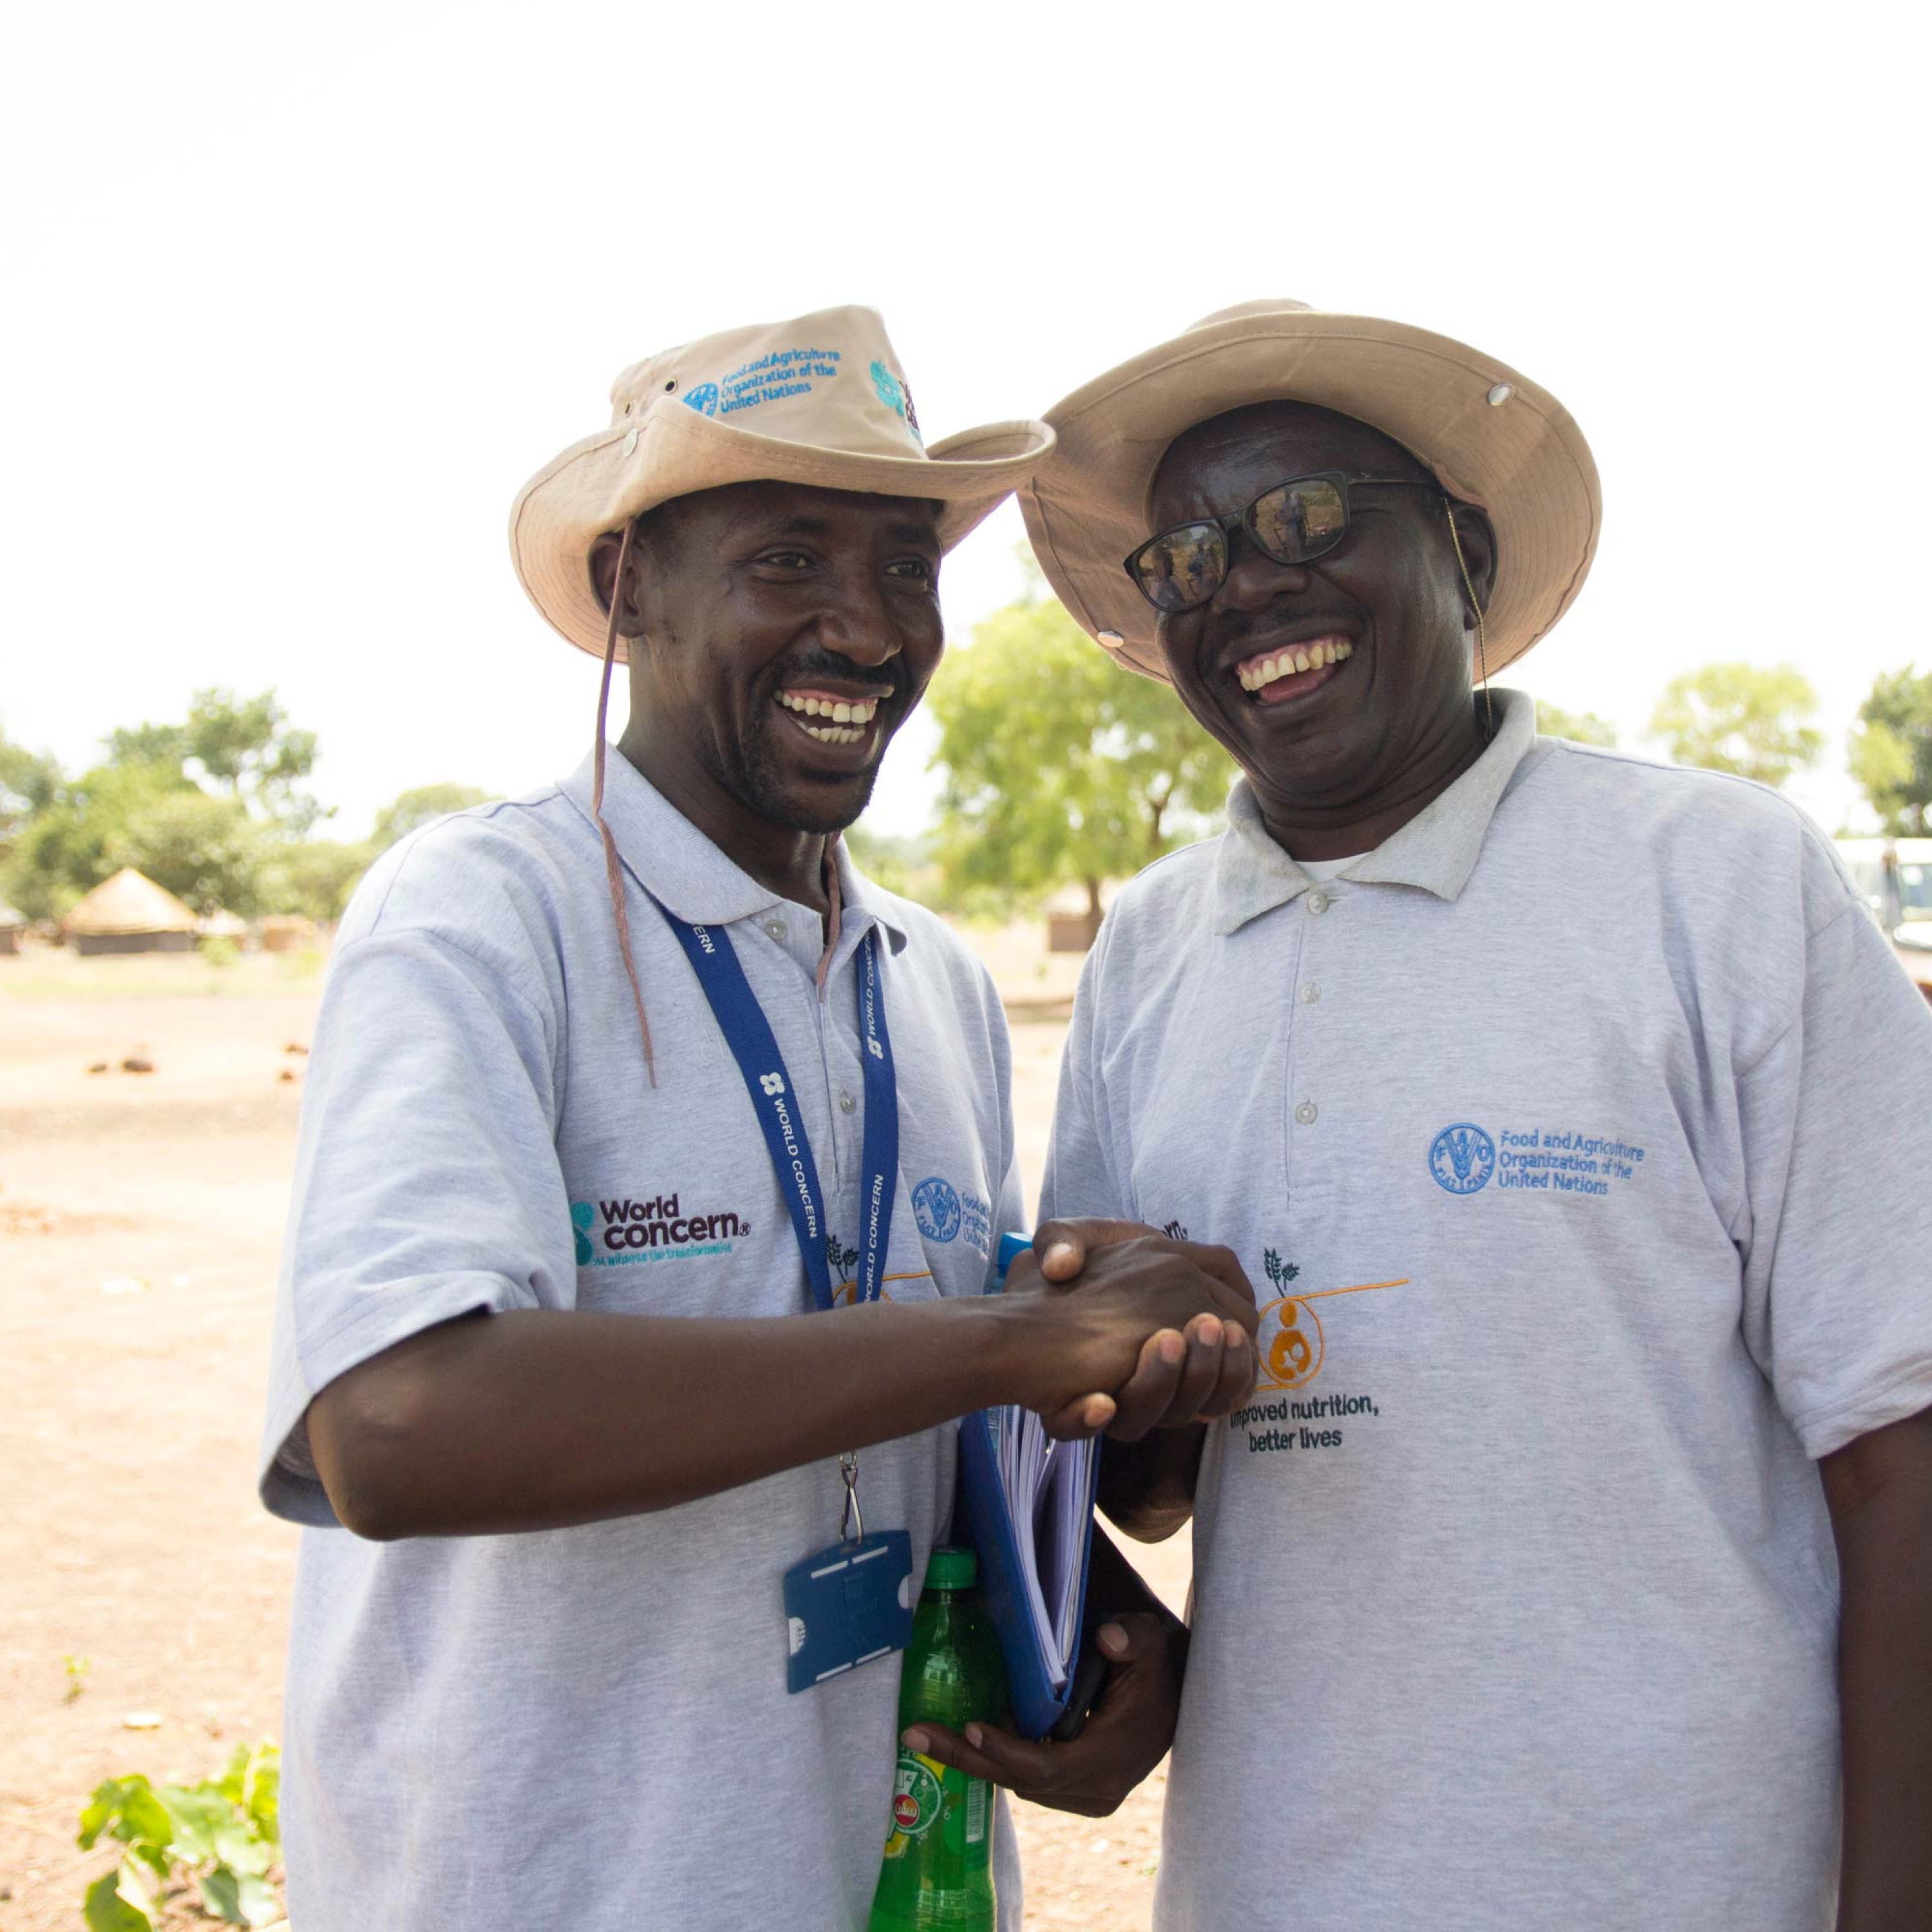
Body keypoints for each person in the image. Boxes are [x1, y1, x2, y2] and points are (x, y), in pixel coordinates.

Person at [914, 301, 1932, 1931]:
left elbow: (1901, 1456)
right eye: (1181, 563)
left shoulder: (1717, 886)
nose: (1243, 585)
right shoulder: (1153, 955)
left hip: (1683, 1875)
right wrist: (1148, 1387)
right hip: (1272, 1878)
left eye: (1307, 520)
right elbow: (1154, 1493)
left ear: (1465, 555)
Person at [256, 306, 1259, 1931]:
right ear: (629, 586)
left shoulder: (925, 978)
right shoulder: (485, 919)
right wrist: (1006, 1340)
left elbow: (910, 1417)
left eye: (907, 570)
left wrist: (1084, 1614)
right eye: (789, 561)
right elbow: (398, 1423)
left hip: (877, 1882)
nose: (866, 630)